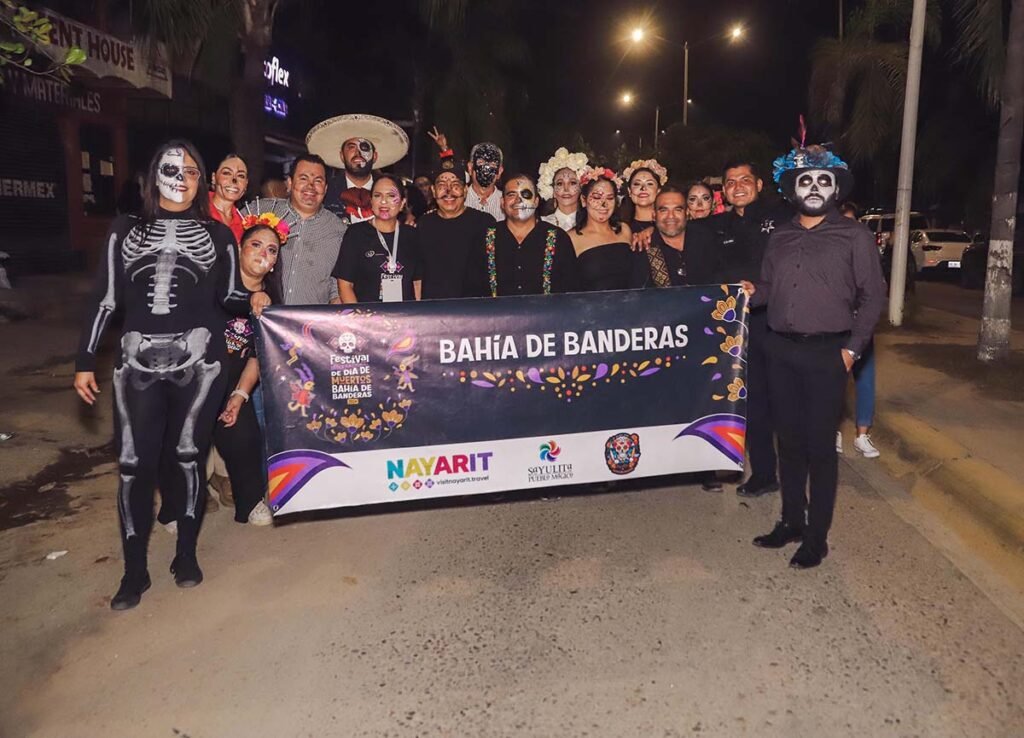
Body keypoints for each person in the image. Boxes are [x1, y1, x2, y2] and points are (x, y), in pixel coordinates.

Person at [73, 139, 250, 610]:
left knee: (188, 456)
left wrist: (258, 297)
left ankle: (186, 555)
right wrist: (84, 359)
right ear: (154, 177)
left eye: (192, 171)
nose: (182, 178)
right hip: (135, 362)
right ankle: (135, 571)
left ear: (201, 180)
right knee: (135, 465)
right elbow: (106, 299)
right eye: (173, 169)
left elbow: (232, 296)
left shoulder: (218, 236)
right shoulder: (124, 230)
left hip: (200, 360)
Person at [748, 143, 886, 569]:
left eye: (823, 181)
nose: (813, 187)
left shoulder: (855, 236)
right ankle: (791, 520)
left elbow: (873, 295)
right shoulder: (781, 236)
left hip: (829, 352)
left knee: (819, 448)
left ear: (835, 189)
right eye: (805, 180)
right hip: (780, 351)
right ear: (792, 189)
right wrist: (752, 293)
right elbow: (770, 289)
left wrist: (851, 350)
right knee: (787, 441)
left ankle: (816, 537)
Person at [686, 160, 791, 499]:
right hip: (732, 325)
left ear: (760, 184)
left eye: (745, 179)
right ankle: (762, 473)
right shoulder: (713, 227)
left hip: (776, 321)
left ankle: (790, 469)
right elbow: (697, 263)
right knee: (748, 400)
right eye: (730, 182)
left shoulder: (784, 218)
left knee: (780, 401)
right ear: (724, 192)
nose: (738, 186)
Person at [213, 219, 286, 526]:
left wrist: (240, 395)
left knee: (245, 439)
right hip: (196, 377)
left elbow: (258, 355)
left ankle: (251, 503)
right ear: (240, 250)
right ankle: (173, 509)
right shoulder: (214, 282)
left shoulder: (272, 301)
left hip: (234, 378)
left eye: (271, 250)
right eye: (256, 245)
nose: (263, 254)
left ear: (273, 265)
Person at [250, 153, 346, 306]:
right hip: (261, 319)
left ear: (326, 188)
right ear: (289, 183)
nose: (310, 186)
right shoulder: (260, 210)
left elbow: (337, 285)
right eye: (303, 178)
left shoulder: (339, 230)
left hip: (308, 325)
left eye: (318, 181)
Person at [471, 173, 579, 296]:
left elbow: (571, 293)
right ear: (502, 202)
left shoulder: (559, 239)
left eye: (525, 194)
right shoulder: (483, 239)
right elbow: (472, 293)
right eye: (511, 194)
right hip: (495, 314)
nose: (519, 200)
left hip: (546, 313)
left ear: (536, 201)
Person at [306, 113, 410, 224]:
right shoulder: (326, 191)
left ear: (374, 156)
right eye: (351, 147)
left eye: (364, 147)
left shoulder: (391, 190)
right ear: (342, 156)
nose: (358, 153)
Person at [333, 175, 422, 303]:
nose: (383, 201)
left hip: (404, 318)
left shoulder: (412, 236)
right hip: (368, 318)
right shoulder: (356, 233)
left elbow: (417, 283)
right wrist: (359, 319)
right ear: (371, 201)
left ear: (402, 203)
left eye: (391, 196)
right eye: (377, 195)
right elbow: (345, 285)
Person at [837, 200, 880, 458]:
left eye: (853, 221)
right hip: (836, 329)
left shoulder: (865, 251)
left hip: (862, 329)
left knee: (865, 380)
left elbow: (874, 293)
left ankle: (862, 436)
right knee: (835, 383)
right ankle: (833, 431)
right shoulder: (830, 254)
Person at [417, 166, 495, 299]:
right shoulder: (424, 224)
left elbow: (495, 270)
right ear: (433, 191)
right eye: (442, 185)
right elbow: (418, 273)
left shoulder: (484, 222)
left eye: (455, 185)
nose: (448, 191)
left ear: (465, 191)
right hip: (434, 309)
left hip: (475, 309)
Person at [569, 169, 634, 291]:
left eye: (610, 198)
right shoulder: (572, 238)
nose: (604, 205)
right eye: (597, 197)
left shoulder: (624, 230)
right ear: (583, 200)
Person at [429, 127, 505, 221]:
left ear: (500, 171)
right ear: (470, 167)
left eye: (492, 164)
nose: (486, 169)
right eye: (481, 163)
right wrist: (444, 149)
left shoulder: (509, 202)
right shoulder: (454, 198)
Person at [537, 147, 589, 231]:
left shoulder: (589, 223)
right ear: (552, 191)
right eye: (560, 183)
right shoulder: (542, 223)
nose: (566, 189)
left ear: (580, 188)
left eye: (572, 183)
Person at [620, 159, 668, 233]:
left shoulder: (669, 224)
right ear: (629, 191)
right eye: (637, 184)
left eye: (649, 184)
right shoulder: (620, 228)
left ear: (658, 191)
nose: (643, 188)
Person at [209, 154, 248, 243]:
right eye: (227, 173)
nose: (234, 180)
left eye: (241, 176)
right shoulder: (197, 207)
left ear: (246, 184)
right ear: (214, 178)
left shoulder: (244, 225)